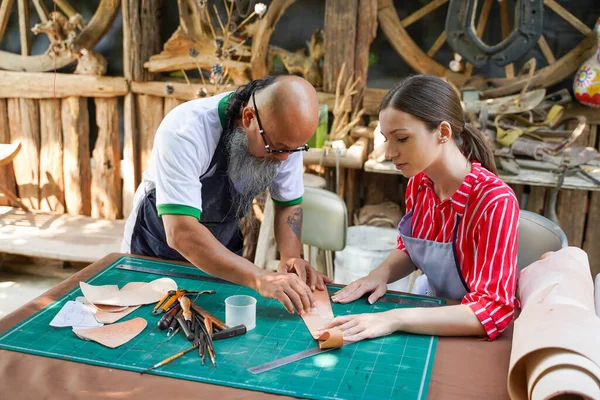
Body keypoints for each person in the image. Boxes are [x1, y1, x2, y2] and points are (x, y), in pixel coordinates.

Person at [324, 75, 519, 342]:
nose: (389, 152)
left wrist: (394, 318)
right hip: (432, 315)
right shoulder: (420, 183)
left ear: (443, 132)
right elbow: (412, 248)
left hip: (471, 335)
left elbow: (492, 310)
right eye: (386, 139)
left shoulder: (494, 202)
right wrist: (380, 275)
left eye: (402, 138)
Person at [121, 75, 330, 315]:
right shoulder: (185, 130)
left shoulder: (284, 138)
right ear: (249, 117)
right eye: (277, 148)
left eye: (293, 150)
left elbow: (288, 203)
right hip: (158, 247)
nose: (284, 159)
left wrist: (291, 259)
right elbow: (180, 232)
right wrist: (261, 278)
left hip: (223, 247)